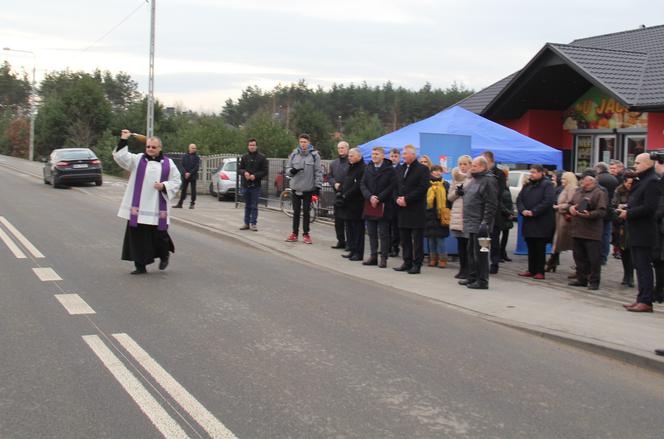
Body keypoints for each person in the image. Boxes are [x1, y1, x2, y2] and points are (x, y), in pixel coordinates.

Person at [113, 129, 181, 274]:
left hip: (157, 207)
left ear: (160, 148)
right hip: (138, 207)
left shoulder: (169, 164)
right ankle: (140, 266)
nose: (150, 149)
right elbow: (121, 157)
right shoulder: (137, 160)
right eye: (148, 147)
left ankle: (164, 255)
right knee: (137, 237)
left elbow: (177, 181)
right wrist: (124, 139)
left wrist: (164, 186)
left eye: (153, 147)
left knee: (160, 235)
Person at [617, 153, 660, 312]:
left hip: (644, 232)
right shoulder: (641, 181)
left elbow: (650, 207)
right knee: (638, 266)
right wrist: (626, 208)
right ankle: (641, 298)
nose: (635, 165)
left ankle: (646, 301)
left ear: (648, 164)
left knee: (644, 267)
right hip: (635, 230)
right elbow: (638, 202)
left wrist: (629, 213)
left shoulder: (652, 181)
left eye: (637, 162)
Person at [459, 156, 498, 289]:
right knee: (471, 251)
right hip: (471, 223)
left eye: (474, 166)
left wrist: (485, 222)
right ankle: (473, 276)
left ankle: (483, 280)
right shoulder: (475, 179)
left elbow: (491, 203)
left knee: (482, 252)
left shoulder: (489, 181)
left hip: (482, 226)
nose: (472, 168)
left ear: (482, 167)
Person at [393, 145, 430, 274]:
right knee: (404, 238)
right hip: (402, 209)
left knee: (417, 239)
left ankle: (417, 264)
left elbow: (422, 188)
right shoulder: (401, 168)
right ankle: (406, 261)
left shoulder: (422, 169)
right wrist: (397, 198)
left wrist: (406, 199)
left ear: (413, 155)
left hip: (416, 209)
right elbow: (395, 186)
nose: (403, 156)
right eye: (403, 154)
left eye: (405, 154)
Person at [568, 170, 608, 291]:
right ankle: (581, 279)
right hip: (577, 229)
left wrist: (589, 214)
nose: (581, 182)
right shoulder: (578, 191)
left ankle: (594, 281)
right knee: (579, 257)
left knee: (594, 258)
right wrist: (570, 208)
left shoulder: (599, 193)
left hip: (592, 232)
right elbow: (570, 203)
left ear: (590, 181)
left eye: (583, 180)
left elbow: (602, 211)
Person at [516, 164, 556, 280]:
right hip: (528, 221)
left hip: (541, 221)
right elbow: (519, 199)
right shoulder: (527, 185)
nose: (531, 174)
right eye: (531, 172)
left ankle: (540, 271)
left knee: (540, 247)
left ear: (541, 173)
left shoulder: (547, 185)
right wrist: (523, 210)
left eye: (533, 172)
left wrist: (534, 211)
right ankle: (531, 269)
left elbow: (548, 201)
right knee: (531, 246)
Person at [360, 147, 396, 268]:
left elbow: (391, 186)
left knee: (383, 233)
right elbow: (363, 184)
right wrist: (370, 197)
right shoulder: (368, 167)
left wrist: (379, 198)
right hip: (370, 204)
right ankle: (373, 256)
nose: (374, 156)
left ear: (382, 155)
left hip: (384, 204)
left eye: (376, 154)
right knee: (371, 232)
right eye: (373, 154)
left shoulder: (389, 169)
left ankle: (383, 257)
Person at [285, 134, 323, 244]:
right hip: (295, 187)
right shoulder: (294, 154)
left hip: (308, 188)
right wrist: (291, 171)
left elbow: (318, 172)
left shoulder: (315, 156)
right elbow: (287, 168)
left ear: (309, 143)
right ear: (299, 142)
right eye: (301, 141)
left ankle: (306, 234)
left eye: (305, 142)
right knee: (296, 212)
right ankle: (294, 234)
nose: (303, 144)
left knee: (306, 212)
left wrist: (317, 186)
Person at [336, 148, 366, 261]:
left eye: (352, 156)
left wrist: (346, 195)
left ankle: (359, 252)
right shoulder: (351, 167)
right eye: (349, 156)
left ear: (359, 156)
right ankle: (352, 249)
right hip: (347, 204)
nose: (349, 157)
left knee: (358, 229)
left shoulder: (363, 168)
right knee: (349, 228)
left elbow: (358, 186)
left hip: (357, 203)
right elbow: (347, 181)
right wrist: (341, 192)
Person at [481, 150, 508, 274]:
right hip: (482, 210)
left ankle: (495, 262)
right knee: (483, 239)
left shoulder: (499, 174)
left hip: (494, 211)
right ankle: (483, 261)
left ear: (490, 160)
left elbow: (499, 192)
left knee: (494, 238)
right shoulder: (481, 173)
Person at [546, 171, 578, 272]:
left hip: (565, 220)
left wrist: (558, 207)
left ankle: (552, 263)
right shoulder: (565, 188)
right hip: (560, 218)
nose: (562, 180)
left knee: (560, 242)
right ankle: (552, 263)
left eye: (564, 179)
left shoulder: (571, 189)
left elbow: (571, 203)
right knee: (557, 242)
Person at [448, 155, 472, 279]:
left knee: (468, 245)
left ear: (470, 165)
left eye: (465, 164)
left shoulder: (473, 178)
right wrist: (457, 193)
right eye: (460, 164)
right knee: (460, 245)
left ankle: (469, 270)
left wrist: (466, 193)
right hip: (457, 214)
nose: (463, 166)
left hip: (468, 215)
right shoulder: (455, 178)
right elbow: (449, 197)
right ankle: (462, 269)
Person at [238, 138, 268, 231]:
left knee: (254, 205)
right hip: (246, 184)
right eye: (250, 145)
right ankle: (246, 223)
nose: (252, 147)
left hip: (256, 185)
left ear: (256, 146)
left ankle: (253, 223)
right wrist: (244, 173)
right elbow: (240, 169)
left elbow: (265, 171)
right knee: (247, 205)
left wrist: (255, 176)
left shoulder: (262, 157)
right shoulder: (244, 157)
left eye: (253, 145)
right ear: (248, 146)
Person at [424, 165, 451, 268]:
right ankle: (432, 259)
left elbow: (449, 200)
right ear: (431, 172)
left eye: (439, 171)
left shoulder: (446, 184)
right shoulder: (427, 184)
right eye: (435, 171)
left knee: (440, 239)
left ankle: (443, 259)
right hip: (429, 214)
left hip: (441, 214)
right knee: (431, 239)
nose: (437, 173)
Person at [612, 173, 635, 287]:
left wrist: (624, 206)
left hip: (631, 224)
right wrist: (621, 207)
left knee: (630, 250)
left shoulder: (637, 190)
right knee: (623, 250)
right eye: (629, 183)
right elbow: (614, 205)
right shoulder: (619, 190)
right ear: (624, 182)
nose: (631, 185)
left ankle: (630, 276)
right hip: (620, 224)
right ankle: (626, 274)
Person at [595, 162, 619, 264]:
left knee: (597, 234)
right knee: (606, 234)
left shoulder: (598, 179)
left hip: (599, 209)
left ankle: (597, 256)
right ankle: (604, 256)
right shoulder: (614, 179)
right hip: (609, 209)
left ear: (598, 169)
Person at [328, 141, 350, 249]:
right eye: (339, 148)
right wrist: (334, 183)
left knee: (348, 221)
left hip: (348, 195)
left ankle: (349, 243)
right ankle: (340, 241)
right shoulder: (334, 163)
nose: (340, 150)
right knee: (338, 221)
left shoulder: (351, 162)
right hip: (336, 194)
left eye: (342, 148)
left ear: (347, 149)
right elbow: (330, 176)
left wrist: (343, 186)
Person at [173, 143, 200, 209]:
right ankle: (180, 204)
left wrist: (190, 173)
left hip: (192, 176)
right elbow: (181, 165)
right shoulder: (184, 156)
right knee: (183, 190)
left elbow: (197, 167)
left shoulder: (197, 157)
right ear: (189, 148)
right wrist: (185, 173)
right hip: (185, 176)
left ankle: (192, 204)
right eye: (193, 148)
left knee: (193, 190)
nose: (194, 149)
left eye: (195, 148)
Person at [498, 167, 515, 262]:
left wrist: (511, 212)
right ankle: (499, 254)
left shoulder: (506, 186)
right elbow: (499, 202)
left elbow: (510, 201)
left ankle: (503, 253)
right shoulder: (499, 186)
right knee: (499, 236)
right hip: (501, 214)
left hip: (507, 214)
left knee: (505, 235)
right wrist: (508, 212)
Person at [388, 148, 402, 257]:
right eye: (392, 156)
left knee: (395, 227)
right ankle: (386, 247)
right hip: (386, 200)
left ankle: (395, 247)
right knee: (385, 226)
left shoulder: (401, 169)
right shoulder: (386, 168)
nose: (393, 158)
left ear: (399, 157)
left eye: (395, 156)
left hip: (395, 202)